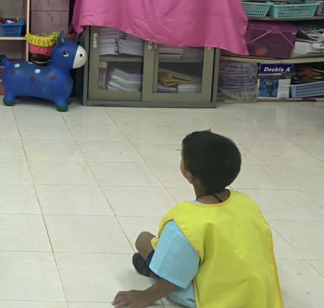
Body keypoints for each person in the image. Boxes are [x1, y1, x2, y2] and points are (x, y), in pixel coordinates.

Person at [112, 131, 282, 308]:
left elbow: (174, 278)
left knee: (143, 240)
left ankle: (154, 272)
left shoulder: (185, 222)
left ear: (189, 175)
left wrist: (145, 297)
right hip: (256, 291)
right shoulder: (247, 203)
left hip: (211, 297)